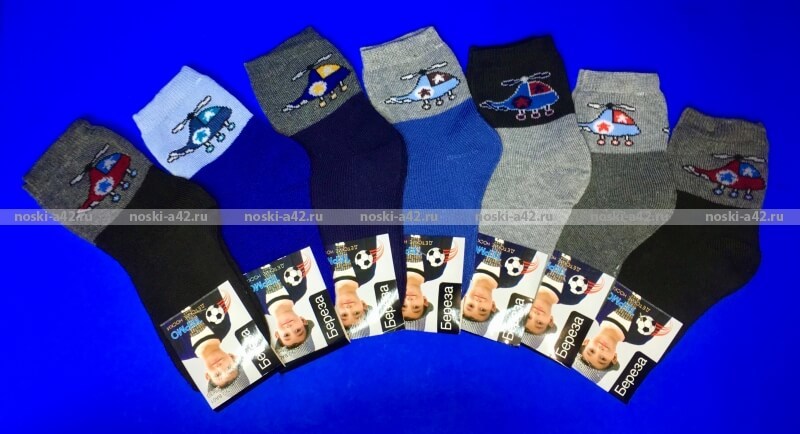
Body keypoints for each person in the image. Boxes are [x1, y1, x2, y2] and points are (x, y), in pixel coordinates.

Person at [573, 287, 671, 383]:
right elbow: (666, 312)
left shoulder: (597, 308)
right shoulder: (639, 338)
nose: (599, 349)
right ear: (614, 359)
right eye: (603, 358)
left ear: (585, 342)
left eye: (592, 351)